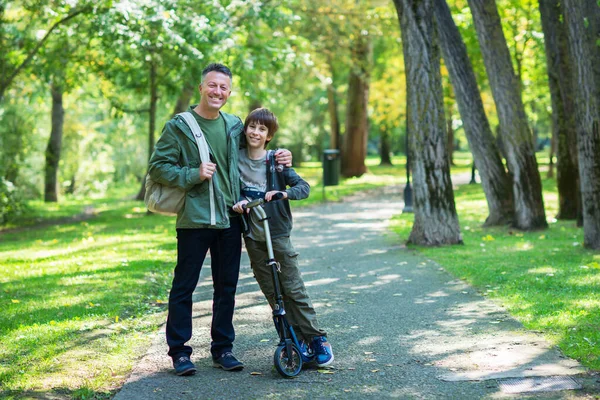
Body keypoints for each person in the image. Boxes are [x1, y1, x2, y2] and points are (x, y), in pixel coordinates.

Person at [147, 64, 292, 376]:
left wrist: (280, 155)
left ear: (229, 92)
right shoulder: (180, 126)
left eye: (223, 88)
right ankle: (180, 352)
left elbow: (254, 148)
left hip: (230, 219)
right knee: (184, 286)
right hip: (194, 220)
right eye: (212, 86)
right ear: (201, 88)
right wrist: (192, 174)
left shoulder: (233, 125)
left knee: (226, 287)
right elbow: (158, 167)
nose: (217, 92)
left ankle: (222, 349)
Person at [232, 108, 334, 368]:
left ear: (269, 136)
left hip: (276, 232)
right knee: (272, 292)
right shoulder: (234, 160)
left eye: (262, 129)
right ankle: (292, 339)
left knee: (292, 287)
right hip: (253, 235)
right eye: (252, 127)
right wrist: (238, 203)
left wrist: (282, 194)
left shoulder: (275, 162)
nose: (256, 132)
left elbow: (303, 188)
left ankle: (317, 338)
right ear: (245, 130)